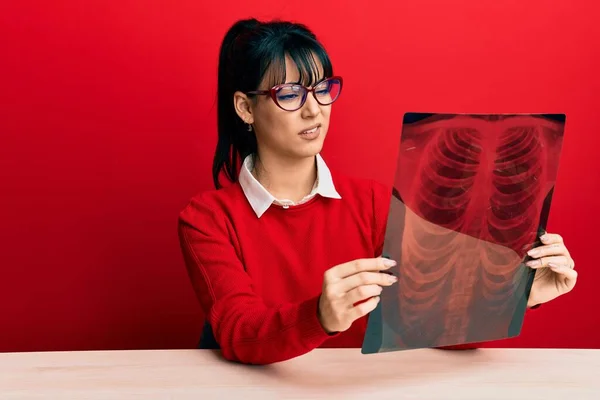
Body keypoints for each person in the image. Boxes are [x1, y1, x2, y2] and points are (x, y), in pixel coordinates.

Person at [177, 18, 577, 365]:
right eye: (289, 94)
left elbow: (430, 318)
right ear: (246, 109)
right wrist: (319, 315)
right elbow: (237, 331)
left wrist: (521, 296)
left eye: (321, 89)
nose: (313, 109)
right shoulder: (207, 219)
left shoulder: (370, 204)